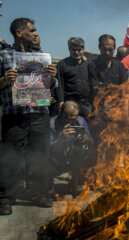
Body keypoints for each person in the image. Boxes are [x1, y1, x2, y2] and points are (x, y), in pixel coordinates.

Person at [0, 18, 58, 214]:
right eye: (31, 30)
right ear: (19, 33)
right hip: (14, 115)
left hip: (39, 114)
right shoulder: (4, 56)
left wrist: (52, 77)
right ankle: (6, 199)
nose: (35, 33)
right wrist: (4, 80)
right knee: (11, 158)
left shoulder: (41, 56)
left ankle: (39, 194)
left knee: (40, 156)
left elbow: (48, 87)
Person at [50, 101, 93, 195]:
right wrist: (60, 139)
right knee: (43, 160)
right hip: (57, 158)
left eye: (73, 119)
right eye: (66, 118)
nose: (70, 122)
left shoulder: (81, 121)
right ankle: (48, 185)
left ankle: (75, 183)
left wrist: (85, 139)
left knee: (85, 150)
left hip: (73, 156)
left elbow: (91, 142)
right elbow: (47, 147)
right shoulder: (52, 123)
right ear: (61, 113)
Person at [56, 37, 95, 117]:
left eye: (79, 50)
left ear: (83, 49)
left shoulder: (88, 65)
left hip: (86, 105)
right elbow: (59, 84)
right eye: (74, 50)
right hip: (70, 104)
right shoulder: (62, 65)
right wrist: (61, 101)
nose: (76, 52)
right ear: (69, 49)